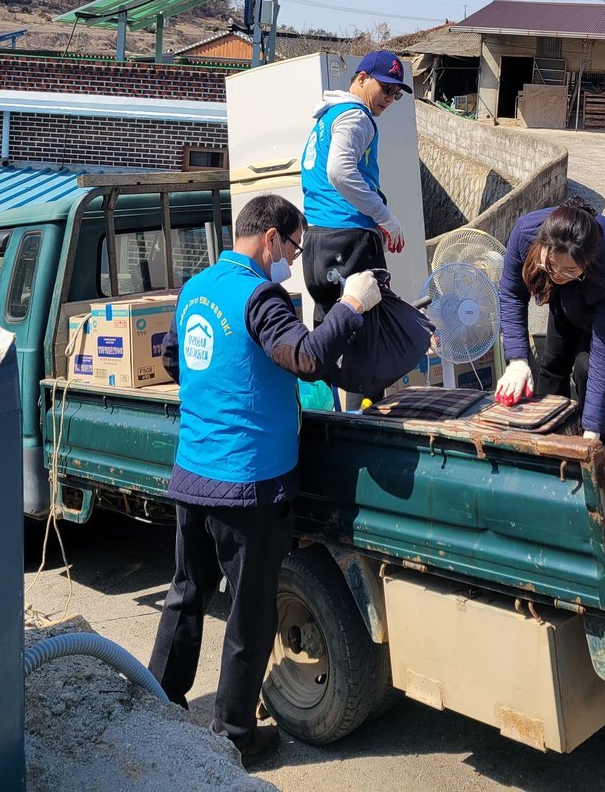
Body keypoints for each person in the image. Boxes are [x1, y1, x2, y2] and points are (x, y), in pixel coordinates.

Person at [149, 193, 382, 769]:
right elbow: (305, 358)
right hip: (247, 482)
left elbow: (176, 361)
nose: (291, 260)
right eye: (293, 247)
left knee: (185, 593)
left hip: (193, 472)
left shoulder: (195, 288)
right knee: (250, 613)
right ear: (272, 238)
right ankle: (234, 734)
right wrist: (350, 306)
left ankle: (158, 700)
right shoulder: (261, 296)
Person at [493, 198, 605, 442]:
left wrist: (592, 435)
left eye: (569, 270)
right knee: (553, 362)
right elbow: (511, 294)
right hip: (572, 291)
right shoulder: (526, 233)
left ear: (588, 261)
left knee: (587, 366)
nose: (559, 275)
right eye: (551, 266)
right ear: (541, 245)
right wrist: (517, 360)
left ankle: (588, 432)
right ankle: (549, 433)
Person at [300, 49, 411, 325]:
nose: (389, 98)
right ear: (362, 78)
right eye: (386, 88)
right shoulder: (357, 117)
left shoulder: (328, 117)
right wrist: (384, 216)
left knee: (329, 333)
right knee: (367, 333)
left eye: (396, 94)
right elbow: (340, 171)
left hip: (316, 240)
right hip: (348, 238)